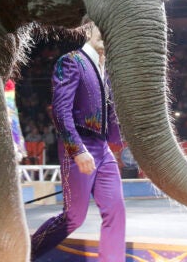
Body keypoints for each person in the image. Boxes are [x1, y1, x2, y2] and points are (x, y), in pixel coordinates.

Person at [31, 24, 125, 261]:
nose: (105, 31)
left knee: (116, 211)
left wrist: (121, 137)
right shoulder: (71, 61)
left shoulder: (108, 69)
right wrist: (77, 150)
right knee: (74, 217)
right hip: (79, 145)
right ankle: (25, 253)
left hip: (103, 149)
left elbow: (111, 111)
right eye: (99, 26)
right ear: (86, 31)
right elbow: (61, 111)